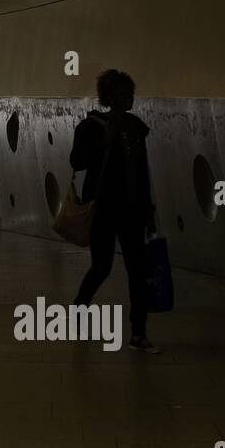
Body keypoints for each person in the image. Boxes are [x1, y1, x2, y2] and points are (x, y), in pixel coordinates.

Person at [70, 69, 159, 353]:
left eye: (130, 92)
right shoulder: (92, 126)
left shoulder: (135, 127)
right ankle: (78, 311)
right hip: (104, 210)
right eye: (124, 93)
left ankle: (139, 333)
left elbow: (141, 172)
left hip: (131, 210)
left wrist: (148, 210)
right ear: (112, 97)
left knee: (137, 270)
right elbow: (77, 162)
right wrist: (103, 142)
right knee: (102, 267)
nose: (130, 97)